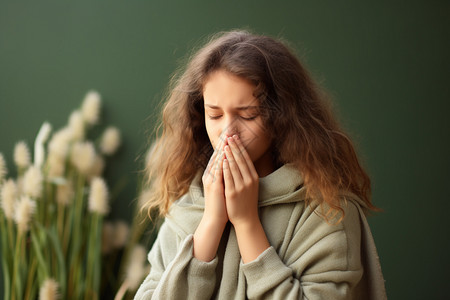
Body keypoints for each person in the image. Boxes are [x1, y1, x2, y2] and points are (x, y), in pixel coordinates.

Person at [134, 30, 386, 299]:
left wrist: (246, 223)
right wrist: (211, 222)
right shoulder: (187, 205)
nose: (228, 131)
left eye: (248, 115)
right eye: (214, 114)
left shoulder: (328, 210)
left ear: (282, 116)